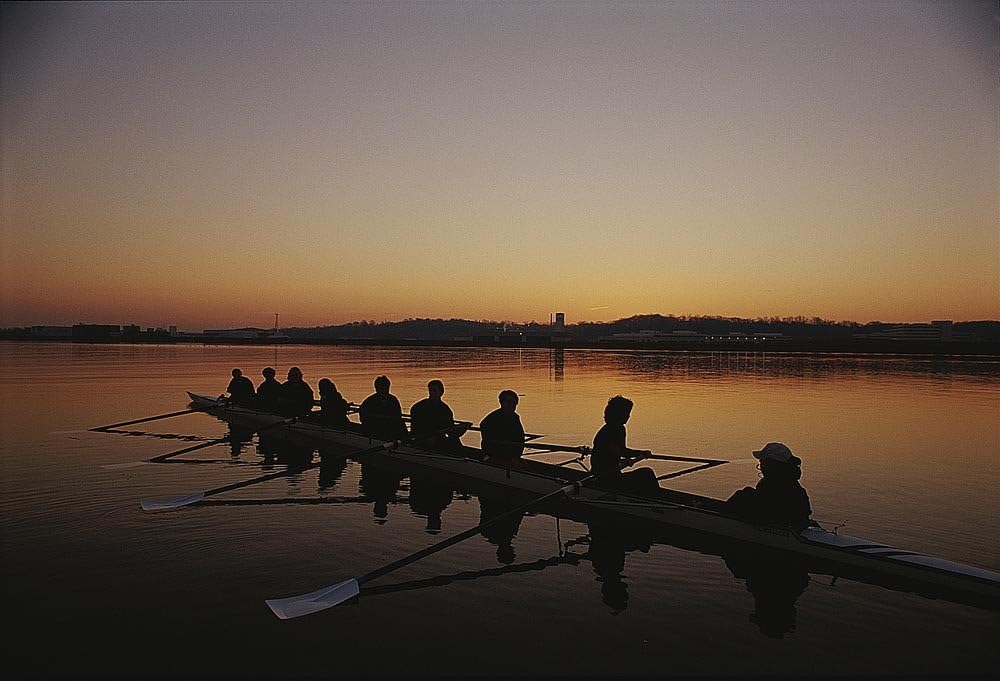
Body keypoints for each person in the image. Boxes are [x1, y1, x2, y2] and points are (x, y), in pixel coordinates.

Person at [725, 442, 812, 531]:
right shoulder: (788, 481)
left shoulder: (777, 484)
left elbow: (765, 509)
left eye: (762, 461)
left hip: (779, 525)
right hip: (788, 522)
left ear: (771, 465)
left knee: (745, 493)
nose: (760, 465)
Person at [589, 395, 659, 496]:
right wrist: (639, 454)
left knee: (644, 477)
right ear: (618, 414)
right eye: (627, 413)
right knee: (647, 473)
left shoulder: (615, 428)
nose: (628, 416)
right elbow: (621, 452)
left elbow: (620, 451)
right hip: (605, 479)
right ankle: (657, 502)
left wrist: (638, 454)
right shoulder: (613, 430)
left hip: (611, 475)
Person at [409, 380, 464, 451]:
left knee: (454, 441)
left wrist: (461, 428)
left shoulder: (445, 409)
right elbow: (416, 429)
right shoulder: (418, 407)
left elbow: (450, 429)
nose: (431, 393)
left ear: (441, 392)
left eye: (434, 390)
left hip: (439, 438)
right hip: (424, 439)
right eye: (430, 390)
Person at [478, 390, 526, 462]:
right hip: (494, 455)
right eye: (508, 402)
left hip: (511, 454)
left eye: (514, 403)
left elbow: (520, 437)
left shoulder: (515, 417)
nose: (512, 405)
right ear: (501, 402)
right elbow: (487, 438)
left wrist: (516, 455)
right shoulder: (492, 418)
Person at [358, 375, 407, 440]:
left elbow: (398, 415)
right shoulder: (369, 402)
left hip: (391, 430)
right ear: (376, 388)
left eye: (386, 387)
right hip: (376, 432)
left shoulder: (393, 399)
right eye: (383, 387)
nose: (385, 389)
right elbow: (364, 419)